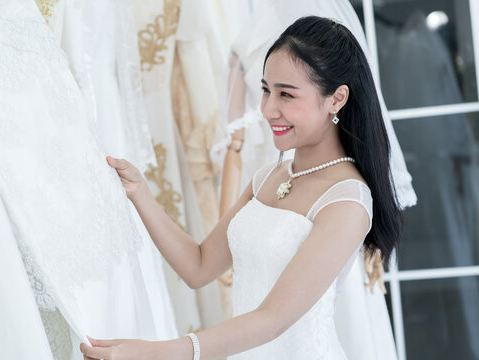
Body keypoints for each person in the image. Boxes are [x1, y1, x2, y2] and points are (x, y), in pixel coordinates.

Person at [80, 16, 402, 360]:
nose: (267, 109)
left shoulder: (347, 199)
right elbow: (198, 266)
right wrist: (139, 193)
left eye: (286, 95)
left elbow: (273, 318)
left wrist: (158, 352)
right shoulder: (269, 177)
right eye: (265, 90)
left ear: (336, 99)